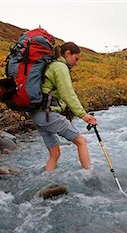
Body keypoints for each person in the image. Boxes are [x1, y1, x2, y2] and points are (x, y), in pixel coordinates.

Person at [31, 42, 97, 171]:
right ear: (67, 54)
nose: (76, 63)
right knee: (81, 141)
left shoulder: (51, 65)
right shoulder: (60, 67)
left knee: (55, 153)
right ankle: (90, 176)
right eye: (75, 59)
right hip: (47, 115)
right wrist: (83, 115)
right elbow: (67, 93)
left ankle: (47, 181)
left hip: (37, 115)